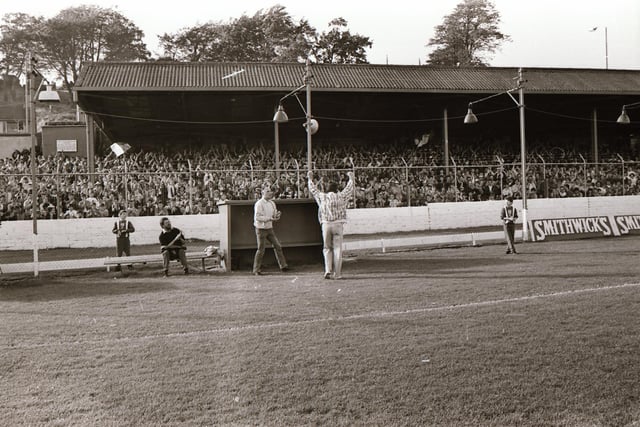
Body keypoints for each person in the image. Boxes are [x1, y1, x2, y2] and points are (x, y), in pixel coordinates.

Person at [308, 170, 355, 279]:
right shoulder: (341, 196)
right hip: (338, 224)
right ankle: (337, 274)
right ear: (337, 189)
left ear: (327, 189)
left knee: (327, 248)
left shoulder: (322, 196)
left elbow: (313, 189)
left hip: (326, 224)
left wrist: (310, 178)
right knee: (337, 249)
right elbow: (349, 189)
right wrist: (351, 179)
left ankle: (327, 270)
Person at [252, 187, 289, 275]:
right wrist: (270, 218)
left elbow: (274, 215)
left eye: (270, 191)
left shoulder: (272, 203)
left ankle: (283, 266)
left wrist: (277, 215)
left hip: (269, 229)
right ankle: (256, 270)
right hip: (260, 229)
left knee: (278, 246)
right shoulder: (259, 204)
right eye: (267, 191)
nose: (270, 193)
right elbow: (257, 217)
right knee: (261, 250)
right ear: (262, 192)